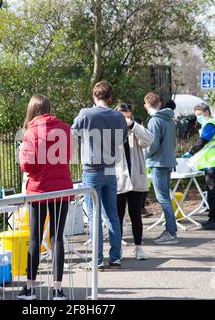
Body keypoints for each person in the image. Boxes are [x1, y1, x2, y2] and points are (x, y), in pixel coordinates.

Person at [18, 94, 73, 301]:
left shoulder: (31, 132)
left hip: (39, 190)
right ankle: (58, 290)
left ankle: (30, 288)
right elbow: (66, 157)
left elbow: (27, 166)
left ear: (32, 110)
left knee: (35, 238)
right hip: (61, 189)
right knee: (57, 237)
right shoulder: (65, 129)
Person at [72, 80, 127, 269]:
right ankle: (116, 256)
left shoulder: (86, 114)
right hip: (110, 169)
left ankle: (97, 259)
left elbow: (74, 132)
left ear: (94, 97)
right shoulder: (119, 117)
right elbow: (123, 139)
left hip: (91, 170)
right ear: (110, 97)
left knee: (94, 215)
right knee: (112, 214)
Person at [114, 103, 154, 260]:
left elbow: (149, 139)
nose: (124, 118)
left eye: (127, 115)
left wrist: (133, 125)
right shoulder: (112, 131)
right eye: (121, 115)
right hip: (118, 180)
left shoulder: (135, 130)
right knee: (117, 216)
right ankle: (117, 249)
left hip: (135, 180)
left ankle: (138, 247)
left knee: (136, 214)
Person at [182, 103, 215, 230]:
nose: (197, 118)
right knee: (212, 191)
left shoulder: (210, 124)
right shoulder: (212, 123)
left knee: (213, 191)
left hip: (214, 162)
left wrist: (191, 152)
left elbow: (203, 141)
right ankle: (213, 218)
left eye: (199, 115)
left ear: (206, 113)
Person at [144, 92, 179, 245]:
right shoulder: (169, 119)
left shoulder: (154, 121)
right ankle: (170, 231)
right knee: (166, 197)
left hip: (158, 163)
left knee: (163, 199)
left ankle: (171, 232)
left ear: (147, 105)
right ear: (159, 103)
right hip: (168, 161)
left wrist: (142, 154)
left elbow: (153, 145)